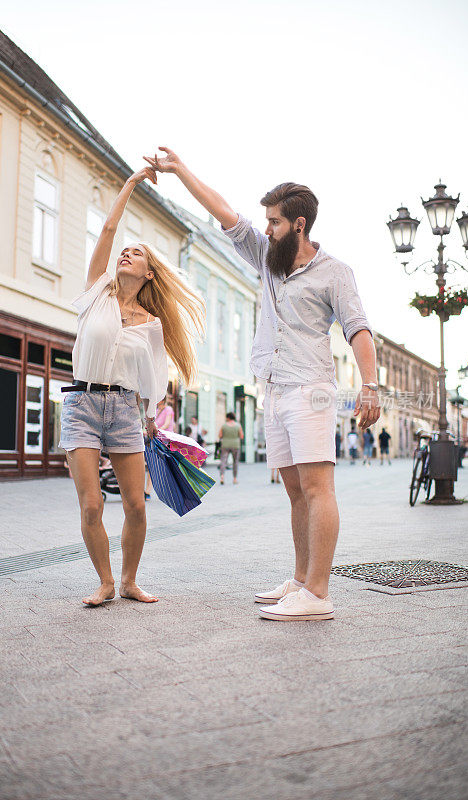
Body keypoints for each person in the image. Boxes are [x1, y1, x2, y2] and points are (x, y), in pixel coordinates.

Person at [145, 147, 380, 621]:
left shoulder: (335, 272)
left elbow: (358, 329)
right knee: (295, 491)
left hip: (311, 387)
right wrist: (180, 170)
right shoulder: (266, 258)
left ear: (298, 224)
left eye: (273, 221)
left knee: (318, 489)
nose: (265, 227)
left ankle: (318, 594)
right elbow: (224, 212)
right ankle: (299, 581)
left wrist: (370, 386)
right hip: (272, 389)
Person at [60, 165, 205, 606]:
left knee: (137, 507)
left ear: (149, 273)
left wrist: (149, 420)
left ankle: (128, 581)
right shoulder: (96, 294)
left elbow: (153, 380)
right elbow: (107, 227)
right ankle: (104, 582)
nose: (125, 254)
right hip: (82, 404)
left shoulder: (152, 324)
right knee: (91, 505)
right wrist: (131, 183)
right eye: (124, 251)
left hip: (124, 411)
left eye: (136, 253)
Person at [144, 397, 175, 499]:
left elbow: (167, 424)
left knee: (162, 466)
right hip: (155, 440)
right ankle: (147, 491)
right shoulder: (156, 411)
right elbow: (151, 424)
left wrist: (154, 430)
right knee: (153, 465)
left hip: (165, 441)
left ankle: (171, 488)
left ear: (161, 399)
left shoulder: (168, 409)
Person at [218, 412, 244, 485]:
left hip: (225, 445)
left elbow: (220, 435)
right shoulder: (238, 426)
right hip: (235, 445)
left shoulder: (224, 426)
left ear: (228, 418)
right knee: (235, 462)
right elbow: (242, 436)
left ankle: (222, 477)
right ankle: (235, 479)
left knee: (223, 461)